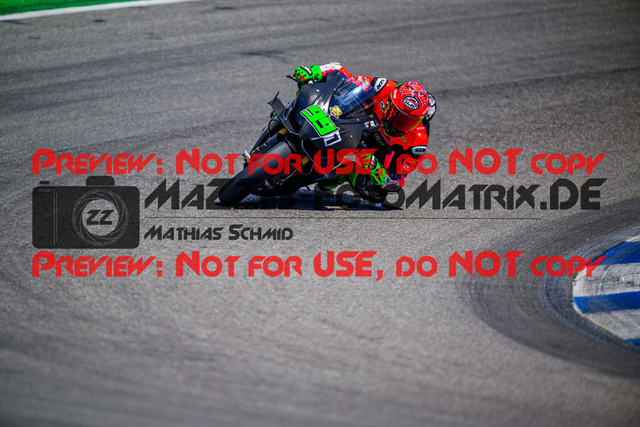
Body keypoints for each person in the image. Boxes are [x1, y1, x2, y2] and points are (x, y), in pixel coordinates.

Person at [292, 62, 436, 203]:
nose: (401, 124)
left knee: (376, 193)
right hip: (363, 122)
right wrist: (316, 71)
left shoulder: (418, 142)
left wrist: (376, 167)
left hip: (381, 150)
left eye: (410, 121)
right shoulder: (385, 87)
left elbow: (397, 181)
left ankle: (346, 172)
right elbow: (346, 76)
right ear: (390, 102)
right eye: (398, 115)